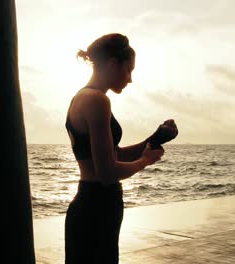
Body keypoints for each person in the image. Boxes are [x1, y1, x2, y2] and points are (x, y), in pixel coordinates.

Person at [64, 33, 178, 264]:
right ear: (113, 64)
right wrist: (145, 161)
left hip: (89, 204)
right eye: (129, 70)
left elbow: (114, 154)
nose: (130, 79)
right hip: (98, 207)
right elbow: (106, 173)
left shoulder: (82, 97)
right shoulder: (97, 100)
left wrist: (156, 138)